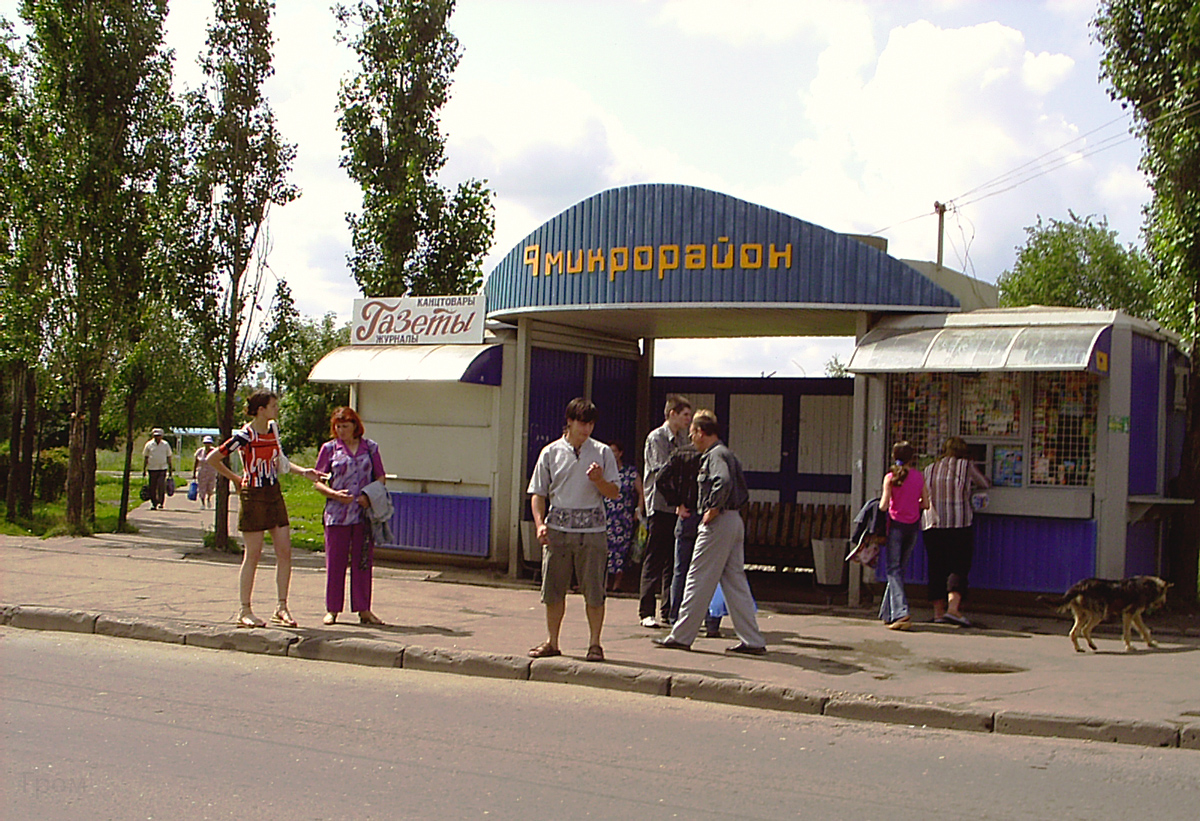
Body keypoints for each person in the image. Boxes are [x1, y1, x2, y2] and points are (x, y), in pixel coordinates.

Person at [654, 411, 767, 655]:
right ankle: (753, 640)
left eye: (693, 433)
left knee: (697, 577)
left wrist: (713, 508)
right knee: (734, 581)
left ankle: (681, 636)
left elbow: (722, 481)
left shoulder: (714, 455)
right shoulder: (727, 453)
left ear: (701, 432)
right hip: (734, 520)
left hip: (720, 522)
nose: (691, 438)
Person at [207, 390, 319, 629]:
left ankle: (281, 607)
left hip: (273, 492)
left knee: (284, 551)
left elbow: (280, 461)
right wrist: (236, 479)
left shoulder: (274, 430)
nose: (276, 409)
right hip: (253, 494)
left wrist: (305, 472)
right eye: (273, 405)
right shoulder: (244, 435)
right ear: (261, 409)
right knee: (254, 553)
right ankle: (244, 610)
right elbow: (213, 458)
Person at [527, 398, 619, 662]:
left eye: (590, 423)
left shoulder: (602, 453)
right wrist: (539, 523)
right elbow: (538, 493)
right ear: (569, 421)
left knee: (594, 589)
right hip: (557, 529)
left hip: (593, 530)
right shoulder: (551, 452)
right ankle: (552, 641)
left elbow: (614, 493)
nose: (586, 428)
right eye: (582, 422)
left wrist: (599, 480)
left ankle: (595, 643)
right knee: (553, 589)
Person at [313, 407, 387, 626]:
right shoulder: (329, 449)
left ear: (355, 426)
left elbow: (381, 477)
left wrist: (369, 495)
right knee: (335, 563)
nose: (341, 430)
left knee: (362, 562)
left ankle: (364, 610)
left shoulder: (370, 448)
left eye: (345, 426)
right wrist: (333, 494)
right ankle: (332, 609)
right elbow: (318, 480)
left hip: (363, 515)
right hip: (337, 516)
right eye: (338, 426)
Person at [923, 436, 990, 627]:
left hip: (932, 524)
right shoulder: (966, 466)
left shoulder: (929, 468)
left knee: (936, 568)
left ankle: (938, 612)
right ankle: (953, 609)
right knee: (958, 566)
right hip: (959, 523)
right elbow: (984, 483)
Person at [640, 394, 693, 628]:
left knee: (674, 560)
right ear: (672, 414)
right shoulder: (657, 438)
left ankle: (669, 609)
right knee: (655, 556)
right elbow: (664, 470)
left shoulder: (683, 439)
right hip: (660, 505)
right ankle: (646, 611)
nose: (688, 420)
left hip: (678, 508)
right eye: (685, 415)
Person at [878, 441, 930, 631]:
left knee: (893, 569)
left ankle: (901, 612)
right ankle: (888, 613)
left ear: (894, 456)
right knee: (899, 569)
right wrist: (912, 503)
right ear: (912, 458)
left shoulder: (890, 478)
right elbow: (926, 504)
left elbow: (883, 506)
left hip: (896, 526)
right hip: (913, 526)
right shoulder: (919, 477)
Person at [603, 440, 643, 592]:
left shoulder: (630, 472)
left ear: (620, 453)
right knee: (605, 550)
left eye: (614, 451)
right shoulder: (603, 472)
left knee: (621, 550)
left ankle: (617, 584)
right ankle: (605, 582)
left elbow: (641, 493)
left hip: (623, 517)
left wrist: (639, 509)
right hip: (607, 516)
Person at [141, 428, 173, 510]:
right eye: (155, 436)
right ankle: (154, 503)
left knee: (161, 486)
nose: (157, 437)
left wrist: (170, 469)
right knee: (152, 486)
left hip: (162, 468)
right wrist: (144, 469)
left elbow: (169, 457)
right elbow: (146, 457)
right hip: (152, 468)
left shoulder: (165, 444)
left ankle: (161, 502)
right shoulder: (149, 444)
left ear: (161, 436)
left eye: (158, 435)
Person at [192, 435, 218, 509]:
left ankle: (209, 499)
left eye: (209, 443)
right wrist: (194, 472)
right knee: (202, 488)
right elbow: (196, 462)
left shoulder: (214, 451)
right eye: (206, 443)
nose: (207, 444)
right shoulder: (200, 451)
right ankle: (202, 502)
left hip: (211, 472)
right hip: (202, 472)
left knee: (210, 488)